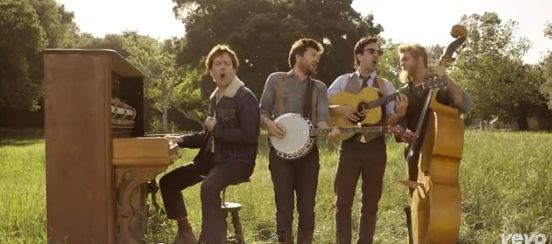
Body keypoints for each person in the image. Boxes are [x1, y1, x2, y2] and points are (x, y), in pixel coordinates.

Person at [160, 44, 260, 244]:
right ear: (211, 70)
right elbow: (207, 135)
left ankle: (211, 240)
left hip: (237, 161)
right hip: (213, 160)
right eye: (218, 64)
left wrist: (218, 130)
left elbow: (249, 136)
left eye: (227, 64)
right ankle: (186, 232)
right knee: (168, 182)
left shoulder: (244, 97)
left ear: (234, 69)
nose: (222, 67)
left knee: (209, 188)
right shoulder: (215, 98)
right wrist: (181, 140)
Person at [327, 36, 408, 244]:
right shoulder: (343, 82)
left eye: (378, 52)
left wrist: (399, 113)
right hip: (349, 146)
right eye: (371, 51)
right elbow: (322, 105)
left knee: (371, 203)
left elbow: (390, 121)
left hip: (375, 148)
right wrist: (340, 109)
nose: (376, 56)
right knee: (343, 202)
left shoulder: (386, 86)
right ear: (359, 56)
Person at [259, 38, 339, 243]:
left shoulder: (320, 88)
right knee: (284, 210)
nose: (316, 60)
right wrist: (268, 124)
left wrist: (329, 132)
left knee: (307, 210)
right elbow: (262, 112)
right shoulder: (275, 80)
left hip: (308, 156)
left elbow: (322, 120)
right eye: (313, 55)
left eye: (318, 58)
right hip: (279, 155)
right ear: (298, 56)